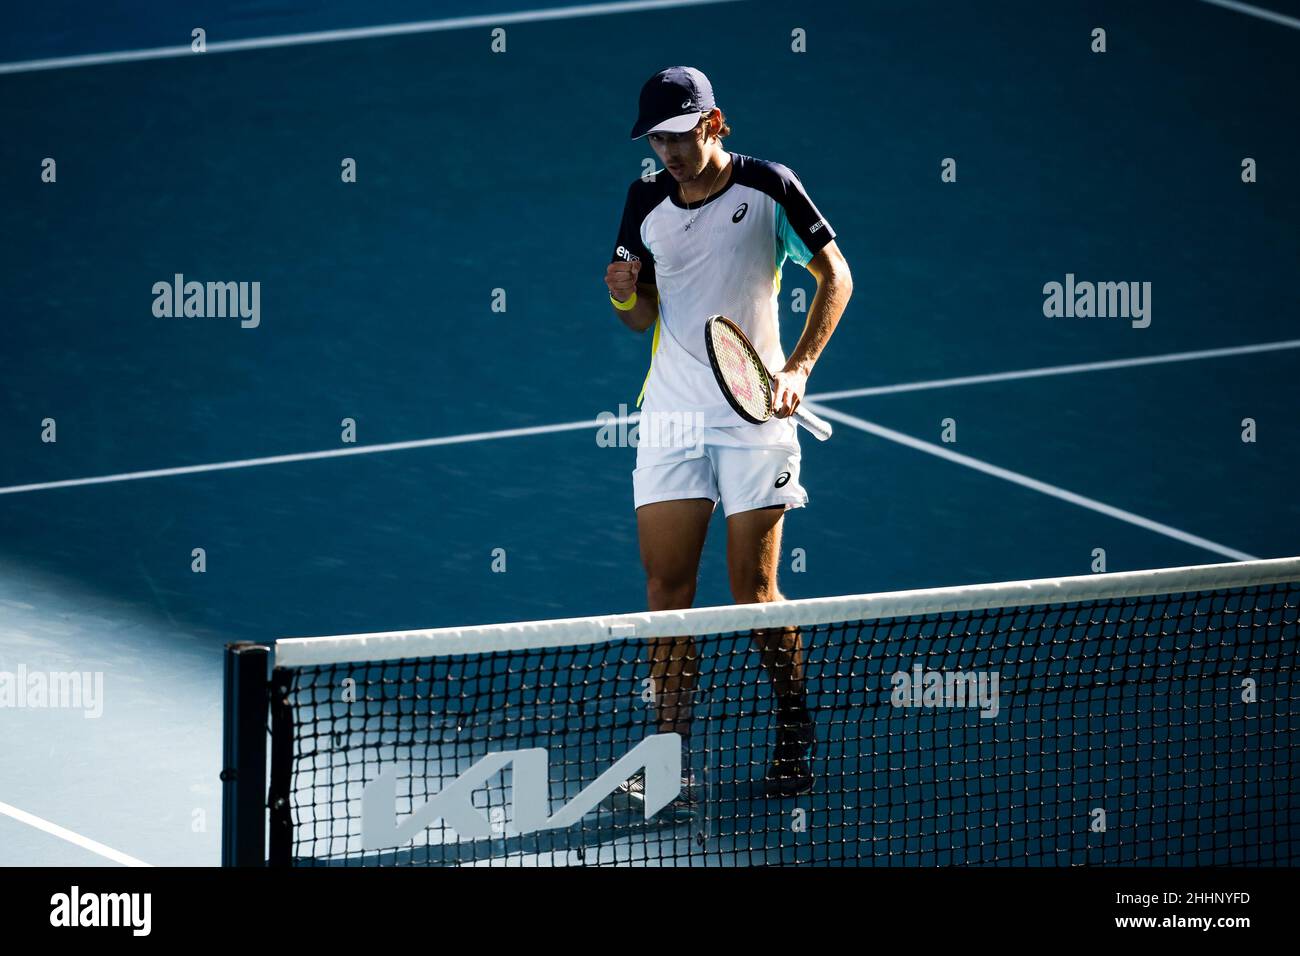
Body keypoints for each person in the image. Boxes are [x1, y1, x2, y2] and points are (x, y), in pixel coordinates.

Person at [605, 67, 853, 801]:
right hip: (672, 415)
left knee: (754, 593)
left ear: (714, 124)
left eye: (680, 137)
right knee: (666, 590)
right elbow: (641, 317)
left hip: (755, 418)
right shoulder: (643, 201)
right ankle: (669, 756)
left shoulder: (769, 187)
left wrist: (800, 367)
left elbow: (835, 274)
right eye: (658, 140)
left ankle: (792, 727)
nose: (669, 153)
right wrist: (625, 296)